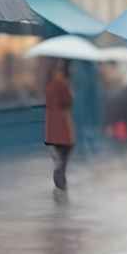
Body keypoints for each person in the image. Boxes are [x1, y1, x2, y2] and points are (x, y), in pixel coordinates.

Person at [44, 60, 76, 195]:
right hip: (62, 128)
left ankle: (60, 188)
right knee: (61, 162)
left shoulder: (48, 83)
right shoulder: (63, 82)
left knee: (59, 162)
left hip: (52, 129)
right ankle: (62, 189)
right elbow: (69, 100)